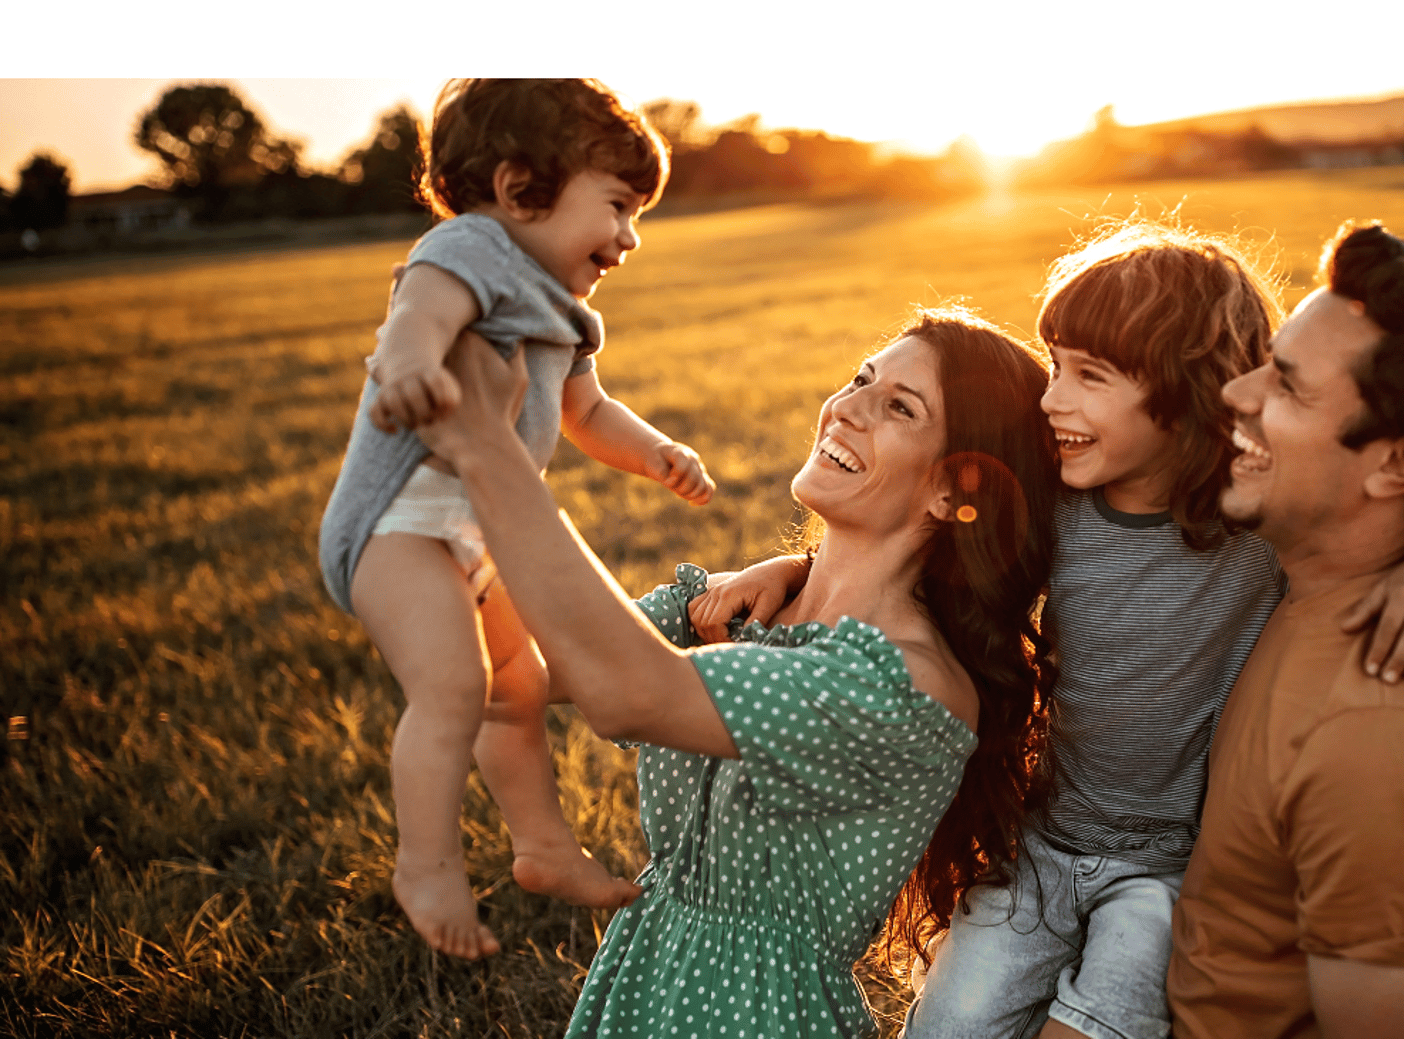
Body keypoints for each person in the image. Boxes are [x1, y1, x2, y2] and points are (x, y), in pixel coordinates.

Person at [700, 223, 1404, 1039]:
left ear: (1184, 396)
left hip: (1166, 868)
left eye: (1089, 374)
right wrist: (793, 572)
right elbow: (927, 558)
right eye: (1056, 365)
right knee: (951, 1020)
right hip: (1046, 839)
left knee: (1103, 1017)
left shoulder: (1248, 528)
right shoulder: (1062, 505)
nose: (1049, 397)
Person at [412, 306, 1060, 1038]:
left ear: (951, 491)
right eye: (860, 378)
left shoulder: (909, 686)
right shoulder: (732, 608)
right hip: (645, 973)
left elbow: (631, 693)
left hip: (760, 1015)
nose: (846, 408)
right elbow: (508, 668)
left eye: (898, 407)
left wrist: (494, 460)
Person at [317, 79, 715, 959]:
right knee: (454, 686)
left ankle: (543, 847)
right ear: (518, 188)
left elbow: (588, 414)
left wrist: (656, 453)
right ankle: (425, 864)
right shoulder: (470, 248)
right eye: (616, 205)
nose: (629, 235)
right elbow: (417, 318)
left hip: (480, 527)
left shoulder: (566, 310)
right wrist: (415, 366)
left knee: (519, 689)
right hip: (400, 524)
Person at [1168, 220, 1404, 1038]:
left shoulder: (1377, 741)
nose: (1238, 392)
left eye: (1290, 386)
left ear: (1399, 464)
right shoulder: (1384, 564)